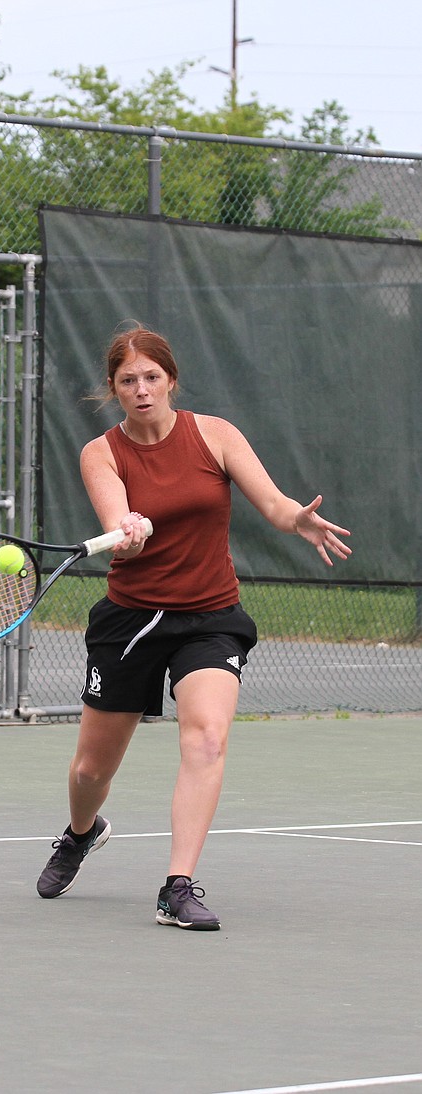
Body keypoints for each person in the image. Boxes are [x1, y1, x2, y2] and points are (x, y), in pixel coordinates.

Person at [36, 323, 351, 931]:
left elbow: (275, 503)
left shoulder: (216, 436)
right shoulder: (100, 452)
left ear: (171, 380)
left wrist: (298, 521)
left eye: (152, 377)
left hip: (210, 617)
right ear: (114, 389)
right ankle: (81, 832)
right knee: (89, 772)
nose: (142, 389)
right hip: (131, 619)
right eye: (128, 381)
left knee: (206, 737)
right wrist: (126, 529)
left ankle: (177, 886)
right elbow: (116, 533)